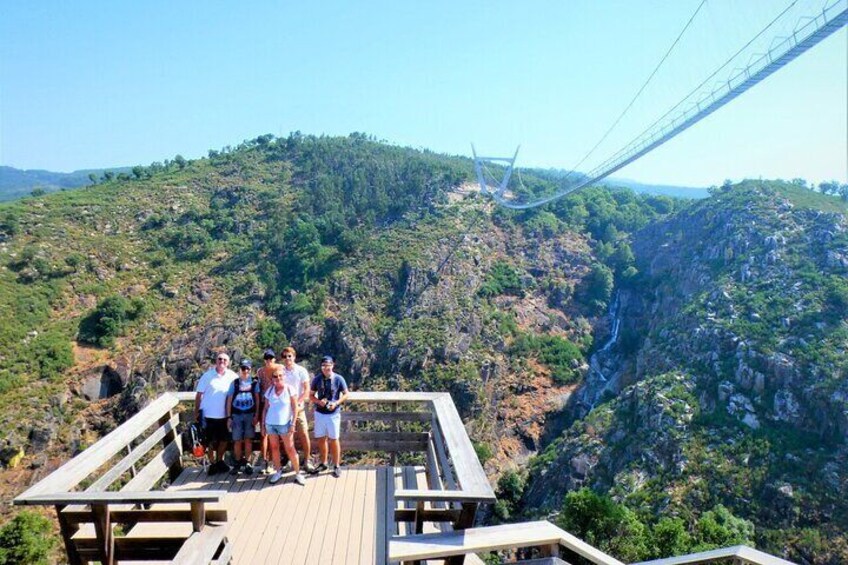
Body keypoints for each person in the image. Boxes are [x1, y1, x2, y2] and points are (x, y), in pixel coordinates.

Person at [194, 352, 238, 474]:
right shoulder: (207, 376)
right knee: (210, 442)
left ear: (228, 363)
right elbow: (199, 394)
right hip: (208, 415)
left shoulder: (232, 376)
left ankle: (219, 461)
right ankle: (212, 464)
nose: (222, 361)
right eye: (220, 359)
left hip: (224, 415)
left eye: (225, 359)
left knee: (224, 440)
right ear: (216, 361)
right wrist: (196, 412)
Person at [262, 366, 306, 486]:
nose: (278, 378)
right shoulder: (270, 391)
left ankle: (298, 473)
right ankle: (278, 471)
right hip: (271, 424)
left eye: (280, 376)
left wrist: (292, 423)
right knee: (275, 448)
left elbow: (294, 407)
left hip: (285, 424)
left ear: (284, 377)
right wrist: (263, 424)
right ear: (272, 379)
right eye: (275, 376)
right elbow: (266, 409)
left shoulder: (290, 389)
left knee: (290, 449)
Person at [309, 355, 349, 478]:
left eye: (328, 365)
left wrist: (336, 403)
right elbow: (311, 396)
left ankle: (336, 465)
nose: (326, 368)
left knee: (334, 439)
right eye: (324, 366)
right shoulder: (317, 379)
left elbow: (346, 394)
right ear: (321, 367)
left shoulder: (338, 379)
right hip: (320, 413)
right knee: (321, 439)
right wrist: (318, 402)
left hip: (333, 414)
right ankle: (324, 463)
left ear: (332, 365)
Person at [280, 346, 315, 473]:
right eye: (285, 356)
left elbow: (306, 389)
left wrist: (298, 402)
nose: (287, 358)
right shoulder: (281, 371)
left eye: (289, 356)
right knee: (289, 436)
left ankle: (307, 460)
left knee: (304, 434)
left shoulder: (301, 370)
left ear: (294, 357)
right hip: (284, 409)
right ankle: (291, 460)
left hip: (298, 409)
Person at [226, 359, 260, 474]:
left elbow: (257, 399)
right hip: (237, 415)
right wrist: (229, 417)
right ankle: (237, 462)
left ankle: (248, 463)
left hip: (250, 414)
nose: (245, 371)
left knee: (248, 440)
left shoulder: (254, 382)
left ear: (250, 370)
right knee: (237, 440)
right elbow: (229, 400)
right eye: (243, 368)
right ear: (239, 370)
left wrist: (256, 415)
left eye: (247, 369)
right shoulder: (234, 383)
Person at [255, 349, 280, 474]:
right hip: (264, 405)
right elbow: (256, 387)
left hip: (276, 406)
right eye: (267, 358)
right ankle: (264, 461)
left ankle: (272, 462)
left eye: (271, 358)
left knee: (274, 434)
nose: (269, 360)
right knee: (263, 434)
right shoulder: (260, 372)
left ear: (274, 359)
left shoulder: (280, 369)